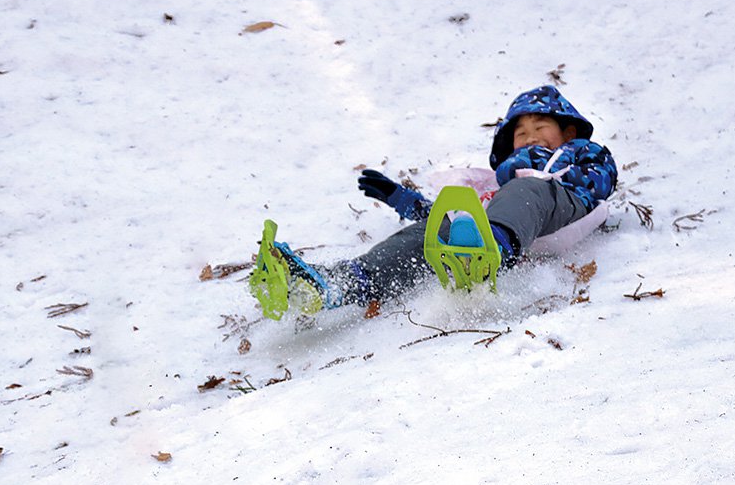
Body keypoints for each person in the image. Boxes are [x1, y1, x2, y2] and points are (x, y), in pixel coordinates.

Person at [252, 85, 618, 316]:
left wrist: (536, 166)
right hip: (501, 223)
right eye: (520, 134)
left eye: (541, 128)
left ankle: (490, 250)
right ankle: (335, 285)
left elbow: (602, 179)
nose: (529, 137)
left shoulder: (580, 154)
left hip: (560, 206)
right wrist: (403, 199)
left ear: (566, 130)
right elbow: (456, 215)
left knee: (524, 192)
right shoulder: (498, 181)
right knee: (432, 231)